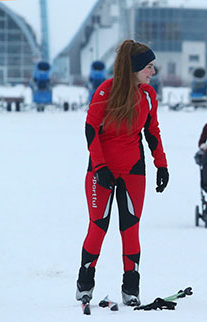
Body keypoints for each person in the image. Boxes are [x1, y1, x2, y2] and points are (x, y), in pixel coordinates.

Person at [75, 39, 169, 307]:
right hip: (100, 170)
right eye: (149, 67)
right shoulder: (106, 92)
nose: (153, 72)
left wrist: (161, 164)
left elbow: (152, 132)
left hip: (133, 170)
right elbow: (90, 130)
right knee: (98, 227)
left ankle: (131, 286)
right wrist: (101, 166)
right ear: (135, 68)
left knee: (130, 229)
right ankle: (85, 283)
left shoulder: (149, 96)